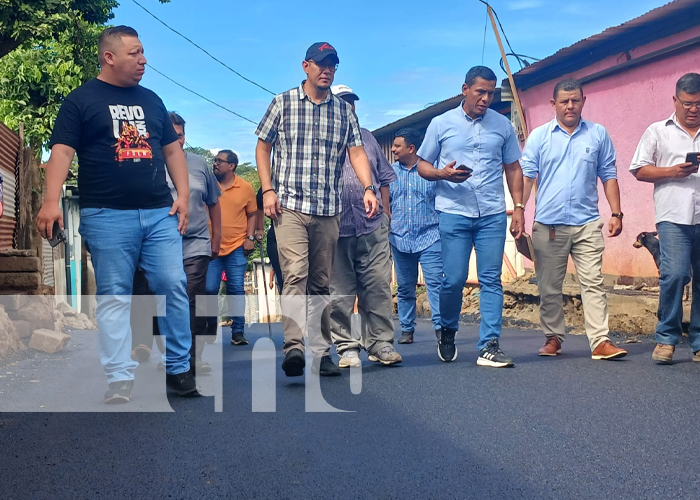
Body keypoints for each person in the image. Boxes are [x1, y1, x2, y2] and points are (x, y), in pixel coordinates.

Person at [36, 25, 197, 403]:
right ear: (109, 57)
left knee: (173, 285)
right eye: (135, 54)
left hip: (159, 212)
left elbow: (172, 151)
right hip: (106, 214)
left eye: (143, 53)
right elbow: (61, 152)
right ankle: (119, 376)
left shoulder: (153, 100)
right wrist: (49, 201)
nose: (144, 61)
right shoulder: (81, 100)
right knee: (114, 297)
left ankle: (178, 368)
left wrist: (184, 195)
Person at [255, 42, 378, 378]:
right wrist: (267, 190)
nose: (327, 70)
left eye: (333, 65)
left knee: (321, 283)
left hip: (327, 209)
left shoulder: (342, 111)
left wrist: (369, 187)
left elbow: (356, 153)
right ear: (306, 66)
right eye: (321, 64)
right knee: (295, 274)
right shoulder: (282, 103)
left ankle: (322, 352)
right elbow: (262, 147)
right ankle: (294, 347)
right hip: (289, 206)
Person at [417, 65, 525, 368]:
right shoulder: (441, 123)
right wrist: (443, 174)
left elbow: (513, 168)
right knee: (453, 279)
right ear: (465, 90)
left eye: (491, 93)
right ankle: (447, 329)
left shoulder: (501, 125)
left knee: (491, 278)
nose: (486, 98)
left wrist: (518, 208)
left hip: (491, 213)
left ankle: (489, 344)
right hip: (453, 213)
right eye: (480, 92)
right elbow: (422, 165)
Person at [521, 79, 628, 360]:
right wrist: (519, 210)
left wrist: (616, 213)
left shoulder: (597, 134)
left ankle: (600, 342)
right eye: (564, 101)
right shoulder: (539, 136)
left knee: (593, 282)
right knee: (549, 285)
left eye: (575, 100)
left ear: (583, 100)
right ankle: (553, 337)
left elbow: (608, 174)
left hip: (587, 222)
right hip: (549, 225)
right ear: (553, 104)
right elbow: (527, 175)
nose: (570, 106)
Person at [325, 84, 401, 369]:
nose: (349, 107)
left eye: (352, 102)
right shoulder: (322, 137)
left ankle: (380, 343)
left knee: (377, 285)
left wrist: (386, 214)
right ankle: (346, 347)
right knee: (340, 290)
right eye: (343, 102)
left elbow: (383, 178)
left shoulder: (368, 138)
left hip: (371, 225)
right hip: (336, 225)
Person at [630, 72, 700, 364]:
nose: (694, 109)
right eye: (687, 103)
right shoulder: (658, 131)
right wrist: (673, 171)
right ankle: (667, 338)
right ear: (675, 100)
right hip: (673, 217)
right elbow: (639, 169)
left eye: (698, 103)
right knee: (673, 275)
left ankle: (698, 342)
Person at [390, 127, 443, 344]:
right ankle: (406, 329)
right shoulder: (389, 174)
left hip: (430, 236)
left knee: (436, 285)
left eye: (397, 146)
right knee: (404, 287)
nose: (393, 149)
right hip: (399, 238)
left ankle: (442, 329)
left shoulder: (431, 172)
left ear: (411, 148)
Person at [205, 150, 257, 346]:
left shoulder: (245, 187)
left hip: (236, 246)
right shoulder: (208, 184)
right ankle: (209, 328)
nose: (215, 163)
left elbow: (252, 214)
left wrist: (250, 237)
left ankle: (238, 332)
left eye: (220, 161)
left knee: (235, 289)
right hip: (211, 247)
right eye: (215, 160)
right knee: (209, 289)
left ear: (232, 166)